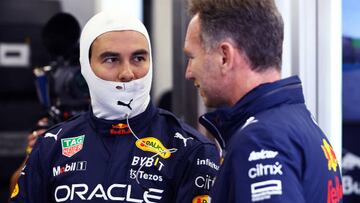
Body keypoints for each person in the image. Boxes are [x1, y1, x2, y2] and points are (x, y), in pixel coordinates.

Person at [9, 11, 219, 203]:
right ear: (86, 67)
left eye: (138, 58)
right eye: (111, 59)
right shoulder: (51, 145)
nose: (127, 73)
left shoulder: (191, 149)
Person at [184, 0, 343, 202]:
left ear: (224, 57)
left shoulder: (260, 140)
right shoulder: (297, 122)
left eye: (192, 57)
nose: (188, 72)